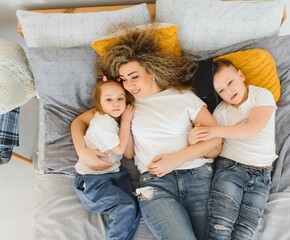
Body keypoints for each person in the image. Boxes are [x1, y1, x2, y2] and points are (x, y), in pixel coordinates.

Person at [71, 25, 222, 240]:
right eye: (123, 79)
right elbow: (79, 122)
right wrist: (81, 150)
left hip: (197, 177)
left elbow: (217, 139)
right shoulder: (123, 104)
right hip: (156, 185)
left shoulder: (183, 97)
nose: (129, 85)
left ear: (151, 71)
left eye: (134, 76)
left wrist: (175, 159)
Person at [188, 59, 277, 240]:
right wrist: (194, 141)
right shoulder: (220, 113)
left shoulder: (260, 96)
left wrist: (213, 130)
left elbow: (252, 129)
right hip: (231, 169)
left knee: (244, 232)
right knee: (220, 228)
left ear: (241, 75)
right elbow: (215, 148)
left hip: (262, 175)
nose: (228, 91)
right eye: (221, 90)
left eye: (230, 82)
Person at [72, 79, 140, 240]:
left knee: (133, 207)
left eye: (120, 99)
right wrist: (126, 121)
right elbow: (120, 149)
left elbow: (129, 154)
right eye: (108, 99)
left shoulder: (114, 123)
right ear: (99, 103)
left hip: (112, 176)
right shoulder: (101, 122)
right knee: (125, 206)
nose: (115, 104)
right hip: (92, 181)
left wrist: (125, 123)